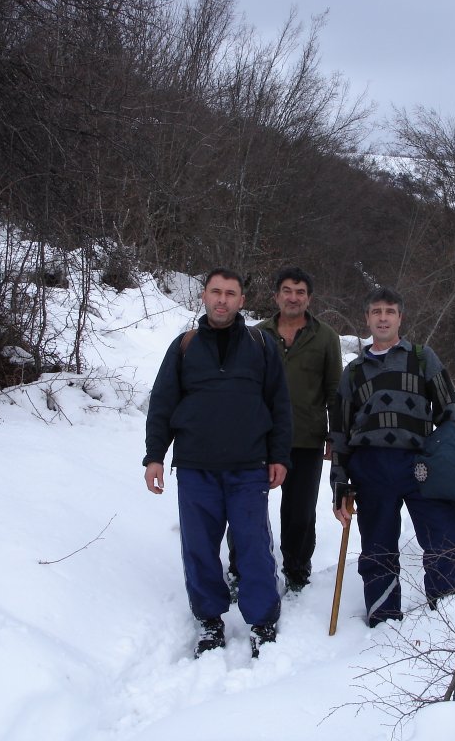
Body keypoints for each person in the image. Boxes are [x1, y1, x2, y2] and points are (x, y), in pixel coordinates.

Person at [143, 268, 292, 658]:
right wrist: (154, 455)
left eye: (230, 293)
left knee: (253, 545)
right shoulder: (184, 346)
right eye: (215, 292)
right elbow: (163, 403)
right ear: (204, 297)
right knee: (199, 548)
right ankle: (210, 620)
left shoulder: (261, 344)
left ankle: (262, 621)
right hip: (196, 466)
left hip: (248, 467)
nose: (222, 300)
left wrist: (279, 455)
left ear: (242, 300)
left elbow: (279, 405)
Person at [329, 286, 455, 627]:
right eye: (376, 312)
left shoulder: (422, 358)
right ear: (367, 318)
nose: (382, 318)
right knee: (377, 544)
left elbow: (450, 413)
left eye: (389, 312)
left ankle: (450, 614)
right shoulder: (354, 372)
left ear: (400, 318)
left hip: (420, 463)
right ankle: (384, 617)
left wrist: (449, 461)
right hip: (371, 466)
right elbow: (340, 432)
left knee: (443, 533)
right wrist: (339, 484)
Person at [246, 267, 342, 593]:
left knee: (299, 513)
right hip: (261, 439)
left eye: (300, 292)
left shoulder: (326, 337)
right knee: (247, 507)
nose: (293, 297)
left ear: (309, 298)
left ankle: (297, 572)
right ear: (276, 296)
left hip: (307, 438)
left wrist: (335, 435)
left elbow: (334, 391)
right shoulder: (256, 334)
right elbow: (244, 389)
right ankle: (241, 568)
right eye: (287, 290)